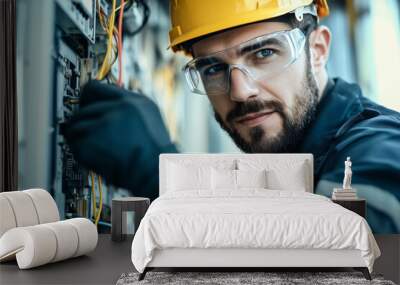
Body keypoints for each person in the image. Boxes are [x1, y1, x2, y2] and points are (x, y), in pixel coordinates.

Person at [65, 0, 400, 233]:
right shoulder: (294, 164)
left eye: (264, 53)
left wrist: (165, 179)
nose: (239, 91)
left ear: (317, 51)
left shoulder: (377, 149)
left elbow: (344, 260)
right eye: (213, 68)